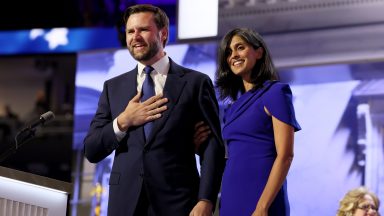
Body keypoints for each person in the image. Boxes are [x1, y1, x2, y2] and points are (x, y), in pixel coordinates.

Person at [83, 4, 225, 216]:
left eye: (143, 30)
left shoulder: (196, 82)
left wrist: (206, 200)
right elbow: (92, 150)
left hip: (179, 202)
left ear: (163, 33)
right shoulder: (113, 88)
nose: (135, 37)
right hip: (125, 204)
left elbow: (212, 148)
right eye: (131, 31)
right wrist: (123, 121)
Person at [215, 28, 301, 216]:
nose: (233, 56)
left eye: (240, 48)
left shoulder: (276, 93)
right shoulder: (232, 108)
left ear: (259, 52)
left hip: (262, 200)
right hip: (231, 198)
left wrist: (263, 207)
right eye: (229, 52)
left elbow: (285, 155)